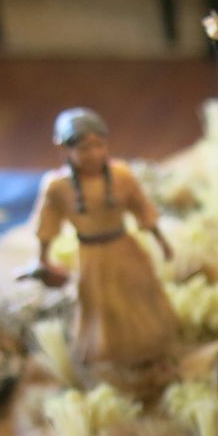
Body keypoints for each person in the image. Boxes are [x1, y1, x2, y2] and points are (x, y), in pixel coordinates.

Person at [32, 108, 178, 368]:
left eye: (99, 145)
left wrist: (162, 241)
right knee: (100, 304)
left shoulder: (121, 175)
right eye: (85, 149)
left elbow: (142, 208)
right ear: (64, 149)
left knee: (140, 292)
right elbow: (47, 225)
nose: (95, 154)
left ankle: (151, 349)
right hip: (91, 257)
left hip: (124, 248)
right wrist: (43, 259)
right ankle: (111, 357)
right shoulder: (58, 187)